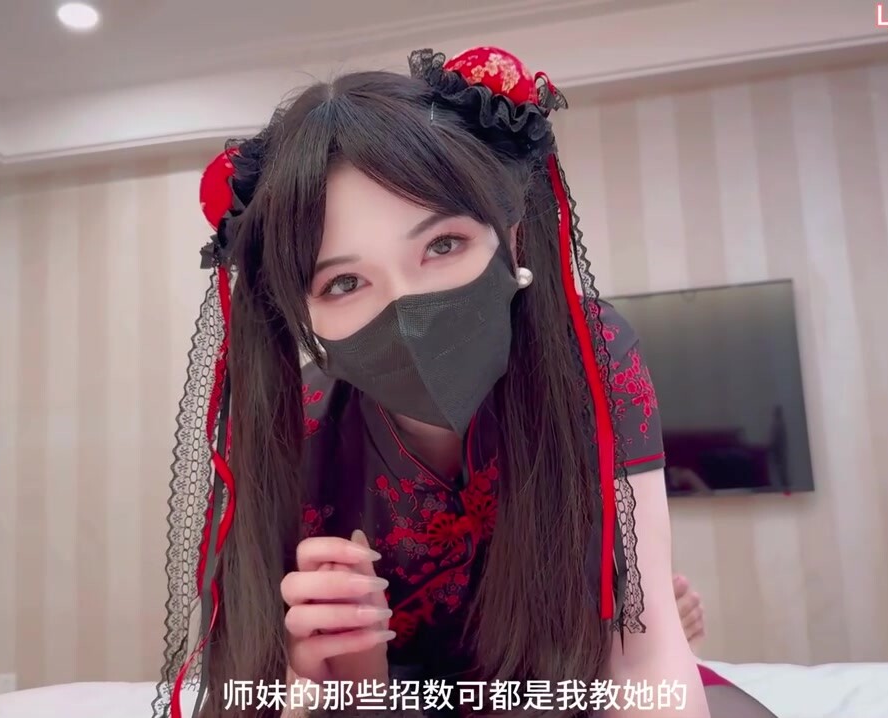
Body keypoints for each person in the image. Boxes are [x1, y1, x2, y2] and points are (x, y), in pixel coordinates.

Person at [151, 46, 777, 718]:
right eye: (344, 282)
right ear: (300, 316)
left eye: (443, 245)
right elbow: (262, 681)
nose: (410, 311)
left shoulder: (588, 356)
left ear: (512, 237)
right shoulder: (292, 427)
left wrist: (637, 620)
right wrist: (328, 678)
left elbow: (642, 651)